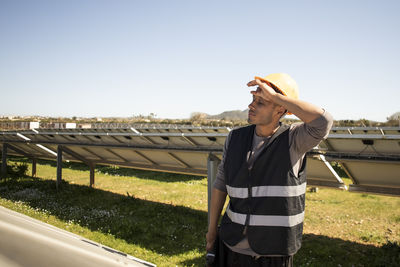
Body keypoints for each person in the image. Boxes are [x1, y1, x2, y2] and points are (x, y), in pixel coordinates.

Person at [206, 73, 333, 266]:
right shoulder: (234, 138)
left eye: (261, 102)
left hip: (273, 251)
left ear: (281, 108)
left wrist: (275, 96)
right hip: (230, 244)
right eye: (252, 99)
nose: (251, 106)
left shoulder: (295, 139)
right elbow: (221, 184)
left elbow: (324, 121)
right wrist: (212, 229)